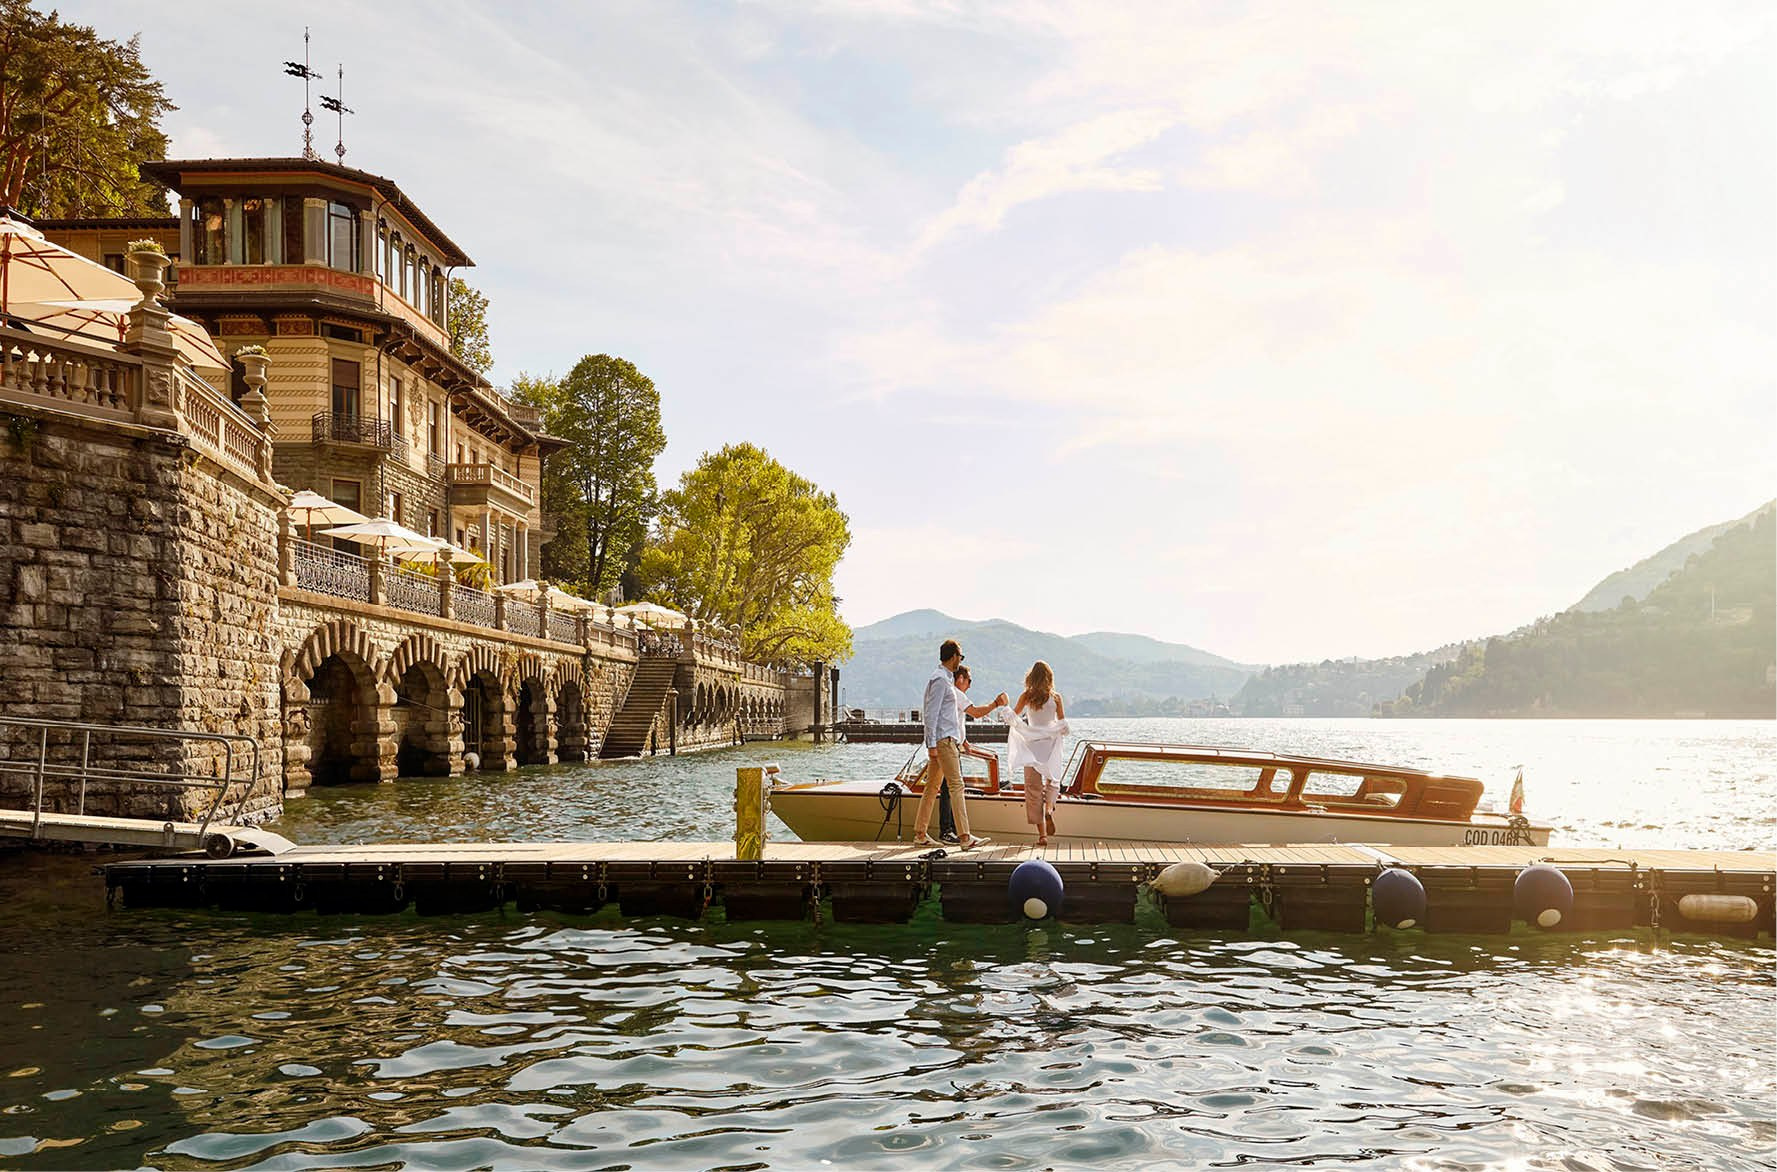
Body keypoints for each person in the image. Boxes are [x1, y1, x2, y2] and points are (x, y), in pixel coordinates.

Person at [914, 639, 989, 849]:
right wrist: (931, 744)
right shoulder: (940, 680)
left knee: (932, 787)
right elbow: (931, 713)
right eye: (961, 657)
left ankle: (920, 833)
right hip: (944, 741)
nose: (960, 661)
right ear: (954, 656)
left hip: (946, 740)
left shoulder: (943, 679)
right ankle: (965, 837)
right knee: (957, 785)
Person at [938, 664, 1008, 842]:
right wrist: (996, 704)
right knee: (952, 788)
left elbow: (954, 720)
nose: (970, 685)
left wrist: (964, 741)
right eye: (970, 680)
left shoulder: (952, 694)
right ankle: (950, 831)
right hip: (949, 746)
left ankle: (949, 831)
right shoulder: (957, 694)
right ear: (960, 679)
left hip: (951, 744)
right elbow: (976, 713)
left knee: (946, 788)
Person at [1008, 659, 1069, 845]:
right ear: (1049, 677)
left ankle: (1042, 835)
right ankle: (1049, 809)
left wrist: (1002, 706)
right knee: (1053, 781)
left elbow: (1013, 716)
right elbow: (1062, 723)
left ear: (1031, 677)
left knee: (1033, 790)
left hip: (1031, 747)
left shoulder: (1027, 696)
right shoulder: (1056, 698)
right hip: (1049, 746)